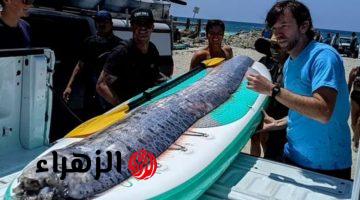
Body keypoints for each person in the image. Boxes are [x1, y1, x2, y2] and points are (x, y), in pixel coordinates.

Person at [247, 0, 352, 180]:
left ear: (304, 26)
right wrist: (278, 123)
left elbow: (324, 111)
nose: (278, 32)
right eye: (274, 27)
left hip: (328, 165)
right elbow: (302, 109)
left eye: (284, 25)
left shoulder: (323, 57)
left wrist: (273, 90)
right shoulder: (289, 63)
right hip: (292, 156)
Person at [96, 8, 163, 106]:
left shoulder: (152, 50)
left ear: (152, 27)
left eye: (147, 24)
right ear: (132, 27)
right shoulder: (121, 52)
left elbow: (156, 76)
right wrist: (123, 107)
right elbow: (101, 85)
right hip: (127, 109)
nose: (142, 28)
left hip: (145, 105)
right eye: (138, 24)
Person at [62, 10, 122, 119]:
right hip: (92, 94)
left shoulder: (120, 45)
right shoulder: (89, 42)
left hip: (111, 92)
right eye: (98, 22)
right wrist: (69, 86)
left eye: (105, 21)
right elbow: (80, 65)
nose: (101, 24)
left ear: (111, 24)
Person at [250, 36, 289, 161]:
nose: (274, 50)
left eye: (277, 46)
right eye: (272, 46)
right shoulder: (263, 62)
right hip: (261, 108)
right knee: (255, 138)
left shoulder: (288, 67)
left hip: (279, 113)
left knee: (268, 143)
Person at [348, 66, 360, 151]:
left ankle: (356, 142)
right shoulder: (355, 71)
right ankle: (356, 135)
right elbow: (349, 84)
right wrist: (345, 98)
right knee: (353, 123)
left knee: (359, 122)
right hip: (355, 98)